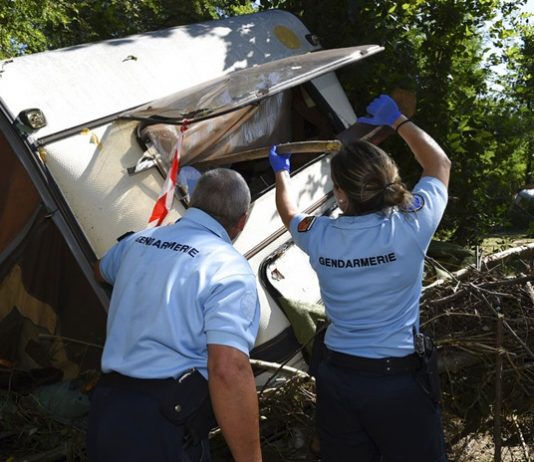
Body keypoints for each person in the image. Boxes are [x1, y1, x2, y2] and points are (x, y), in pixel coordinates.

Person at [269, 94, 451, 462]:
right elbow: (439, 164)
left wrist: (281, 171)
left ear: (340, 195)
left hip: (338, 381)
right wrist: (398, 120)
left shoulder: (319, 234)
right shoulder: (411, 225)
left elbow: (289, 213)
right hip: (398, 384)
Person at [87, 168, 263, 462]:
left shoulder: (138, 242)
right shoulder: (229, 269)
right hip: (163, 427)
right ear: (241, 221)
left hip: (107, 412)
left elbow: (100, 269)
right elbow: (228, 369)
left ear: (191, 202)